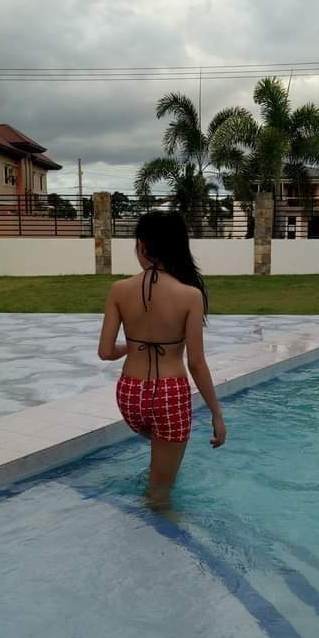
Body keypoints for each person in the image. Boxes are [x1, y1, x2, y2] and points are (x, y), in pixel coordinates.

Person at [98, 210, 227, 505]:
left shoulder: (118, 290)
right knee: (160, 494)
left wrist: (133, 347)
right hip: (169, 394)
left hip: (130, 394)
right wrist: (217, 414)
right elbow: (196, 363)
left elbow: (105, 352)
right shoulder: (190, 295)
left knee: (159, 461)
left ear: (142, 245)